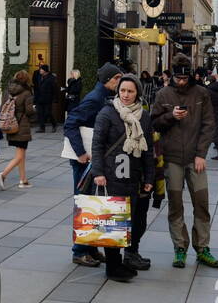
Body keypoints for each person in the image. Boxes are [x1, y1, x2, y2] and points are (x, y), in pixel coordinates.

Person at [151, 55, 218, 269]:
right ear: (172, 74)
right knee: (175, 204)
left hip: (194, 158)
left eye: (184, 78)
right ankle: (179, 248)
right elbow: (154, 123)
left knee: (202, 203)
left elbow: (209, 124)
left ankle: (202, 248)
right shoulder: (162, 94)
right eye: (178, 78)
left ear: (190, 74)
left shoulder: (202, 93)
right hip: (172, 158)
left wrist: (201, 154)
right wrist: (170, 116)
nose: (181, 81)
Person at [92, 75, 156, 280]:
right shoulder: (107, 113)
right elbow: (97, 145)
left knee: (129, 222)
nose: (126, 95)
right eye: (123, 91)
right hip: (112, 176)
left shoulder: (144, 117)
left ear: (137, 92)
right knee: (113, 221)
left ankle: (120, 261)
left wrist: (149, 178)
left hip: (133, 177)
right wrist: (98, 172)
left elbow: (148, 150)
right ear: (117, 92)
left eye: (130, 91)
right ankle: (112, 267)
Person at [63, 63, 124, 267]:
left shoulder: (103, 97)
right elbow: (70, 123)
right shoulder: (95, 99)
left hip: (93, 159)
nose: (119, 83)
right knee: (85, 203)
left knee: (93, 201)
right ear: (108, 80)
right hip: (85, 161)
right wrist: (80, 152)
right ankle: (79, 251)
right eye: (117, 79)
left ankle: (90, 248)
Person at [0, 69, 35, 189]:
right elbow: (29, 111)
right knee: (19, 155)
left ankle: (23, 180)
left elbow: (3, 107)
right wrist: (35, 110)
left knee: (21, 153)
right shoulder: (27, 93)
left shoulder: (8, 91)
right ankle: (3, 175)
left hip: (11, 125)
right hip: (22, 127)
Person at [204, 73, 218, 160]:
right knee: (217, 132)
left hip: (212, 113)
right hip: (217, 112)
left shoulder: (209, 91)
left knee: (215, 133)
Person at [34, 64, 59, 133]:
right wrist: (35, 99)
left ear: (45, 70)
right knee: (40, 113)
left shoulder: (51, 78)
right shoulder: (39, 77)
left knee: (48, 113)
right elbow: (37, 88)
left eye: (41, 69)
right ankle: (42, 128)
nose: (40, 70)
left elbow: (55, 89)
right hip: (39, 98)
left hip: (48, 99)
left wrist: (55, 98)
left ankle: (54, 124)